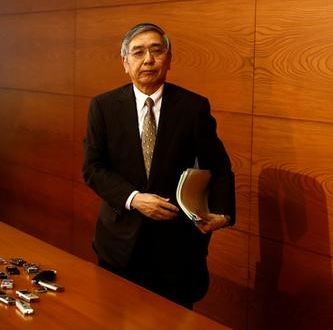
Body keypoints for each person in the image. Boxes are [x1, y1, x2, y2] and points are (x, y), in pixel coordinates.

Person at [82, 22, 236, 308]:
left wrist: (223, 214)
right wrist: (135, 199)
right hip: (120, 241)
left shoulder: (193, 107)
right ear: (125, 62)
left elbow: (220, 167)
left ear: (169, 59)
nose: (148, 59)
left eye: (157, 50)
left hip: (176, 247)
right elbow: (92, 168)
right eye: (138, 52)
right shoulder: (103, 106)